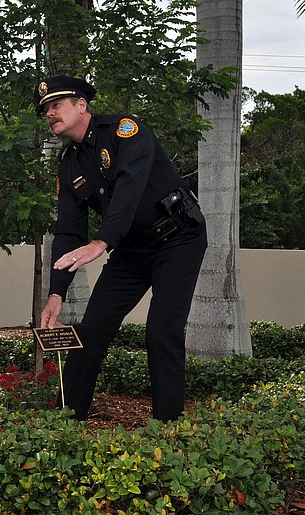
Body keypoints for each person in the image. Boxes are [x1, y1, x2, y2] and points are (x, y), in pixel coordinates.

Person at [36, 75, 207, 423]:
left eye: (56, 105)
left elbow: (129, 188)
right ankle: (65, 423)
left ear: (81, 105)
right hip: (131, 250)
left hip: (177, 240)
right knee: (91, 330)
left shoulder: (126, 131)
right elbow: (68, 232)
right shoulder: (69, 165)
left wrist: (101, 242)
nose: (49, 113)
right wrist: (56, 295)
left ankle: (167, 429)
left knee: (161, 332)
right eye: (45, 110)